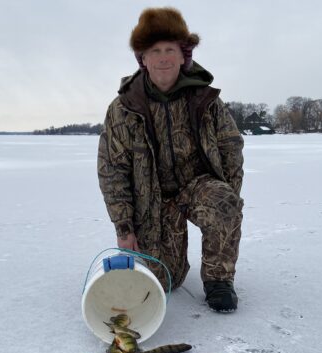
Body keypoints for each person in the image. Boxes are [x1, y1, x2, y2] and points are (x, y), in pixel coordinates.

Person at [97, 7, 244, 312]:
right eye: (154, 50)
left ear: (183, 55)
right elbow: (113, 170)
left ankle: (219, 280)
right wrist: (124, 229)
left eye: (170, 49)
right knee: (166, 281)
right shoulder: (123, 108)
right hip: (152, 199)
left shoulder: (206, 99)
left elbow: (231, 146)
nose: (163, 57)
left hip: (197, 186)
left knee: (224, 203)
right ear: (143, 59)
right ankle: (170, 264)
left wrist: (228, 194)